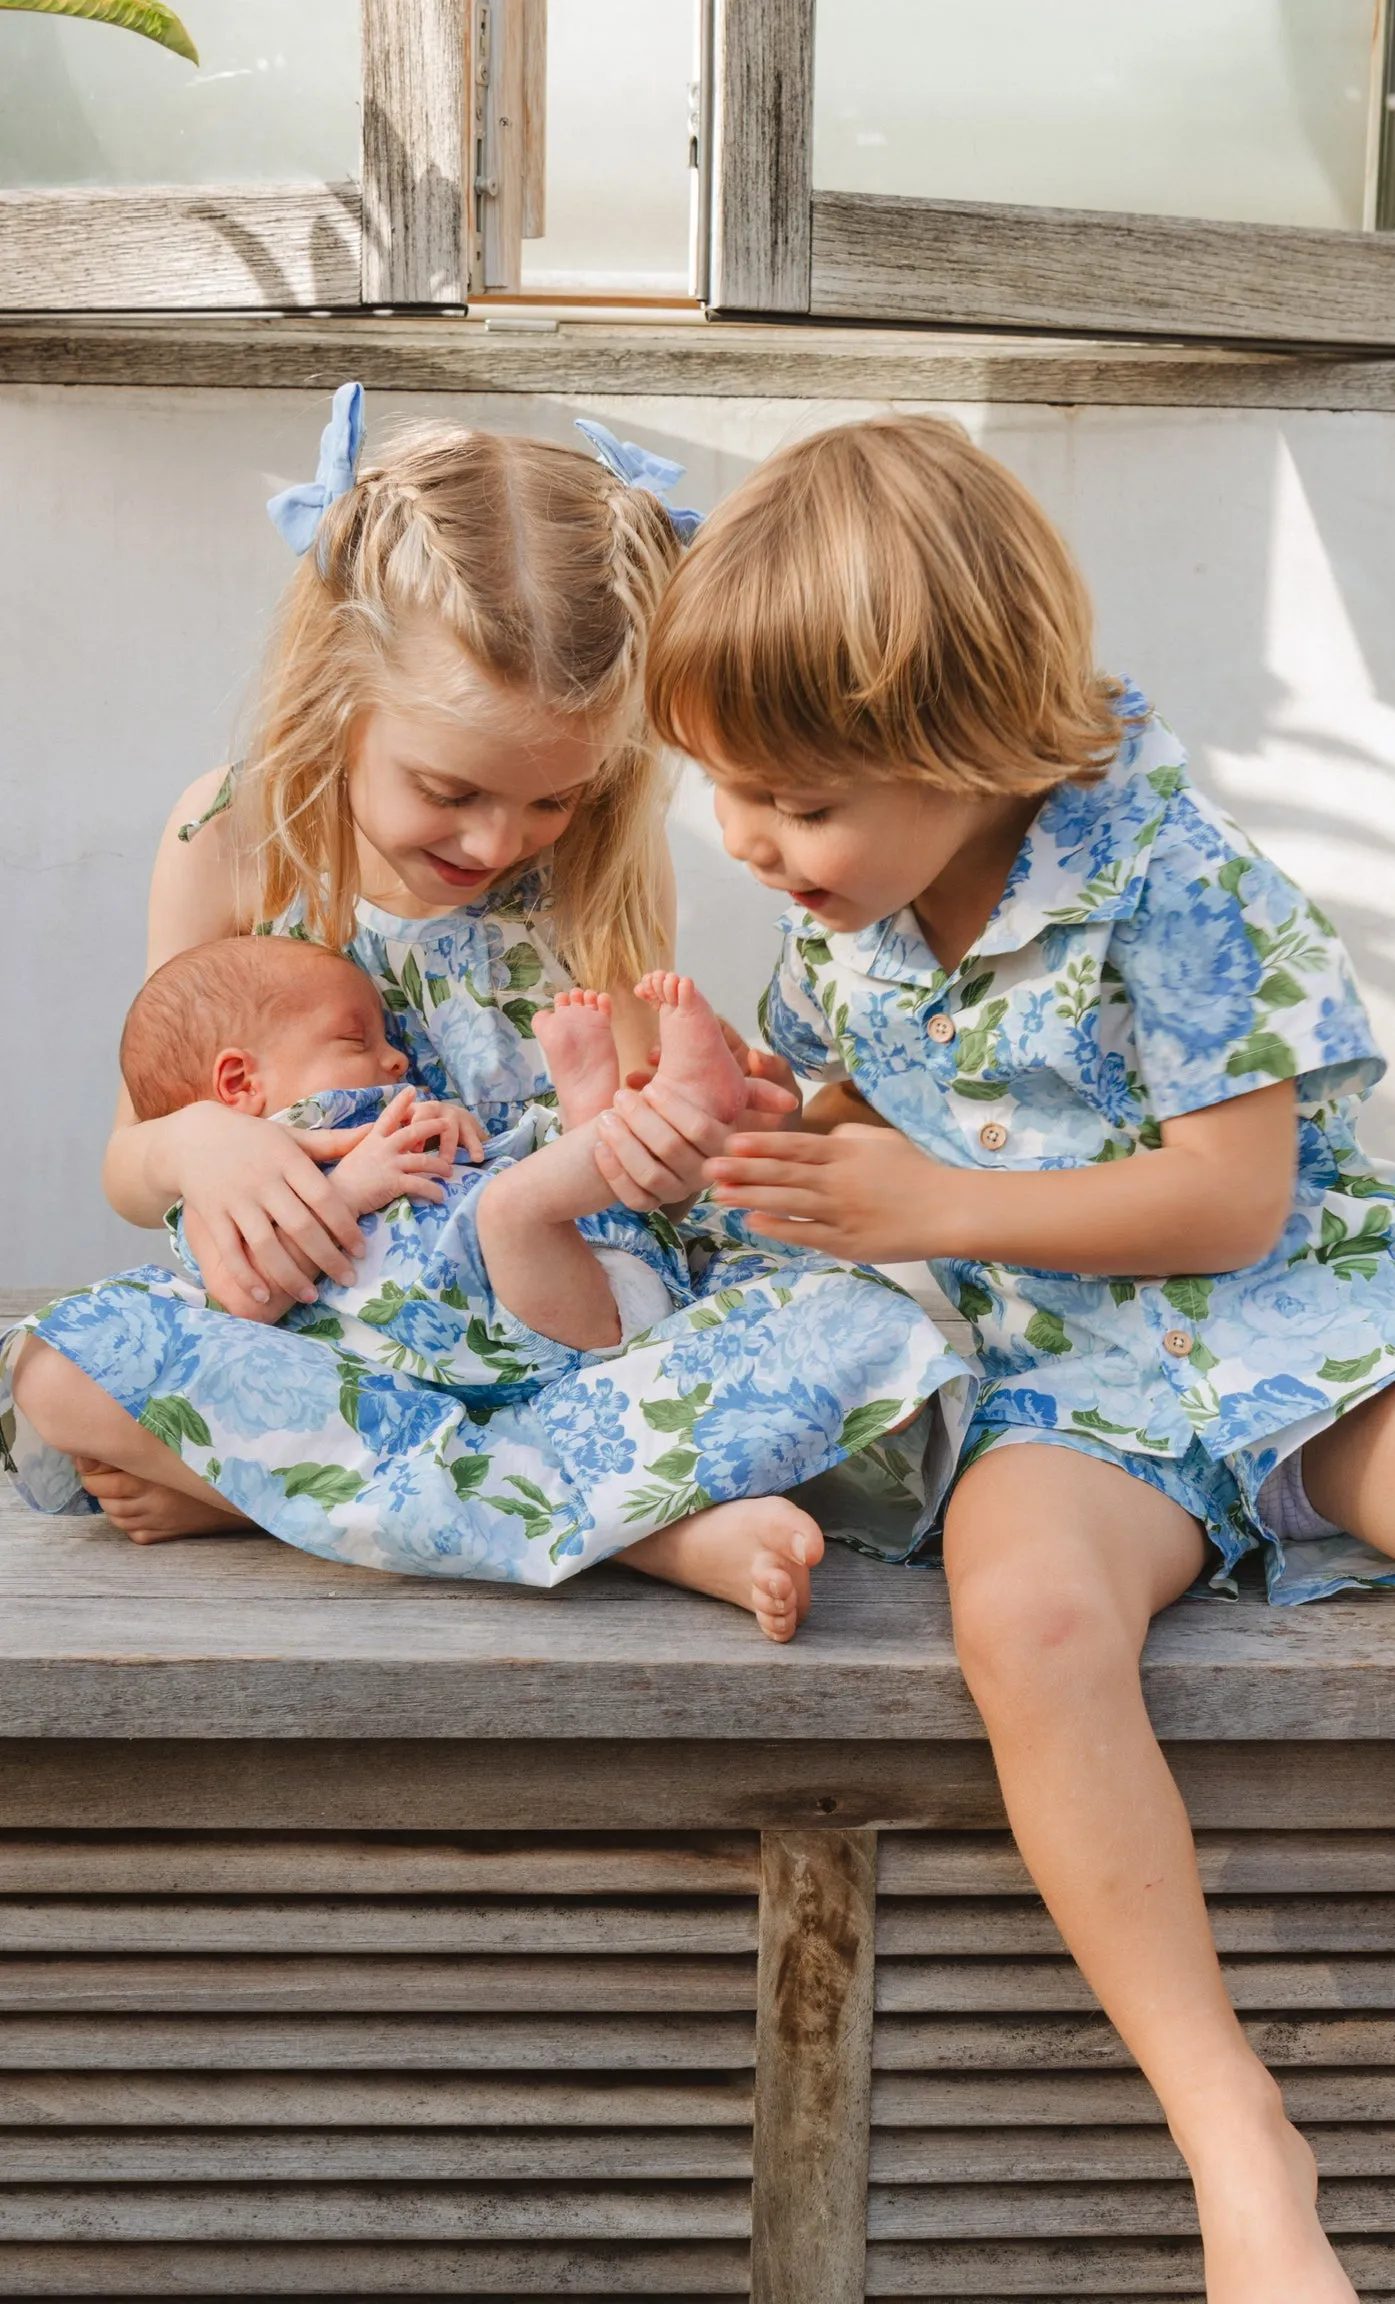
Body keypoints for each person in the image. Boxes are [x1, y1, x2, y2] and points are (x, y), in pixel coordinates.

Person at [632, 410, 1395, 2299]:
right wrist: (765, 1117)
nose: (757, 842)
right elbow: (882, 1114)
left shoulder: (1171, 875)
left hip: (1298, 1326)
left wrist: (922, 1198)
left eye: (804, 799)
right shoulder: (836, 917)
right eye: (726, 790)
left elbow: (1229, 1201)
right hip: (1059, 1383)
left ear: (966, 745)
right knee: (1028, 1620)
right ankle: (1233, 2131)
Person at [1, 391, 974, 1638]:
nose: (496, 840)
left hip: (565, 1334)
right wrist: (195, 1143)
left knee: (852, 1333)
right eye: (447, 789)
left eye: (550, 803)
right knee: (55, 1374)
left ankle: (290, 1494)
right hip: (338, 1323)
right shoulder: (231, 838)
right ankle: (649, 1528)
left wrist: (693, 1126)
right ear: (340, 689)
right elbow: (132, 1168)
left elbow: (639, 1171)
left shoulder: (603, 865)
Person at [117, 934, 760, 1370]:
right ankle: (667, 1104)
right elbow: (242, 1300)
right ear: (240, 1084)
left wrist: (451, 1125)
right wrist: (349, 1191)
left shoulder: (385, 1104)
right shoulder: (224, 1177)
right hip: (520, 1335)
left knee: (528, 1184)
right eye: (354, 1037)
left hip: (604, 1261)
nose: (395, 1057)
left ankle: (597, 1106)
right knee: (512, 1208)